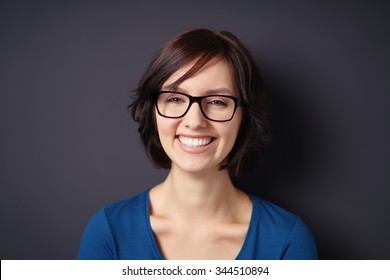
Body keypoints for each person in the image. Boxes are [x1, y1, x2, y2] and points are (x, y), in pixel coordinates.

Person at [77, 28, 318, 260]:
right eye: (174, 98)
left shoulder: (287, 240)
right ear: (153, 112)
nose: (194, 121)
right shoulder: (109, 231)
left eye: (216, 101)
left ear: (245, 117)